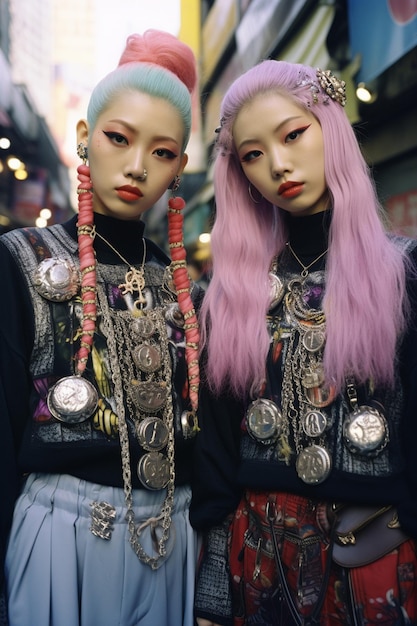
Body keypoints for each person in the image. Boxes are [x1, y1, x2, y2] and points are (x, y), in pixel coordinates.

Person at [190, 60, 417, 625]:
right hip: (257, 546)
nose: (279, 165)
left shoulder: (404, 274)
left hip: (373, 544)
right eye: (253, 155)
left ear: (330, 129)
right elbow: (218, 443)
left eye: (293, 134)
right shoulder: (232, 294)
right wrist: (213, 583)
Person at [0, 29, 202, 626]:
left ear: (181, 169)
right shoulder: (21, 260)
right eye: (119, 138)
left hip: (172, 535)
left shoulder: (189, 292)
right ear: (86, 138)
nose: (137, 166)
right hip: (58, 534)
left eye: (162, 152)